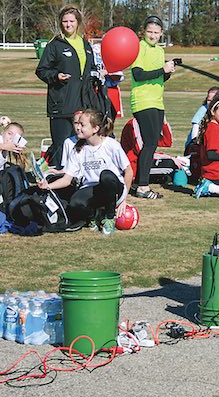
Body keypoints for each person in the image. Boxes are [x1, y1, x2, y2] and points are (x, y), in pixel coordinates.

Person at [39, 109, 133, 235]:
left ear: (95, 128)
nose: (78, 127)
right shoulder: (78, 149)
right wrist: (47, 186)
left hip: (113, 188)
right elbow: (67, 179)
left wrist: (123, 199)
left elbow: (129, 171)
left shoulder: (111, 145)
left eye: (82, 125)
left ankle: (109, 217)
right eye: (77, 124)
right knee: (75, 203)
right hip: (92, 188)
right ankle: (94, 215)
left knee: (106, 176)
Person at [36, 5, 97, 170]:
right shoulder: (55, 45)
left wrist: (98, 73)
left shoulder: (86, 45)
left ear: (78, 23)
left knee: (80, 146)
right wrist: (56, 76)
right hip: (61, 105)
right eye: (65, 21)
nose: (68, 25)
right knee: (60, 147)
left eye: (71, 21)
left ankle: (75, 180)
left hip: (83, 105)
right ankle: (54, 182)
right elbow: (41, 70)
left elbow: (90, 71)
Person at [129, 14, 176, 199]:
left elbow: (159, 77)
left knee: (153, 143)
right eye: (149, 31)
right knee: (149, 143)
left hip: (157, 101)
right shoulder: (139, 47)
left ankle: (140, 182)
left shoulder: (159, 51)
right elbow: (138, 74)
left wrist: (168, 72)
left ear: (162, 33)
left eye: (156, 32)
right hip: (143, 101)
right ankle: (142, 186)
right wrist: (161, 70)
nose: (153, 35)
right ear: (144, 32)